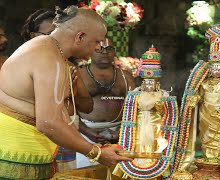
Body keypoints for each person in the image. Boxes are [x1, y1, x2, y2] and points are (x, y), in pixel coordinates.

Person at [0, 6, 132, 179]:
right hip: (14, 157)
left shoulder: (51, 52)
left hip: (27, 154)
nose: (98, 49)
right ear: (80, 37)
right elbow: (49, 123)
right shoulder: (49, 57)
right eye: (97, 42)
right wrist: (96, 152)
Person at [171, 23, 220, 180]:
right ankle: (207, 162)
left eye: (218, 66)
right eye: (212, 67)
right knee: (206, 139)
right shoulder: (204, 81)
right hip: (206, 116)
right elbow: (196, 95)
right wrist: (193, 100)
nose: (214, 70)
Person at [21, 8, 94, 172]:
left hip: (66, 140)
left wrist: (74, 93)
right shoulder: (24, 62)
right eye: (50, 34)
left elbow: (88, 107)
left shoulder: (69, 66)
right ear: (34, 36)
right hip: (36, 141)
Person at [112, 45, 179, 179]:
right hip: (140, 125)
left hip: (156, 125)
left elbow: (168, 114)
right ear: (143, 81)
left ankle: (155, 170)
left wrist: (160, 105)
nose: (149, 85)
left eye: (152, 82)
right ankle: (136, 170)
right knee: (139, 144)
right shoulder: (136, 93)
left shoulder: (163, 94)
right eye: (147, 82)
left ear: (157, 82)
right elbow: (129, 113)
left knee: (154, 144)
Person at [76, 38, 135, 168]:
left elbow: (135, 107)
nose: (104, 52)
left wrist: (122, 132)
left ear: (114, 52)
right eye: (99, 49)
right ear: (90, 50)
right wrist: (87, 131)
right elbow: (67, 108)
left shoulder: (126, 76)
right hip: (86, 134)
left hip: (120, 134)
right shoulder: (78, 74)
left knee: (118, 173)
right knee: (86, 173)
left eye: (109, 49)